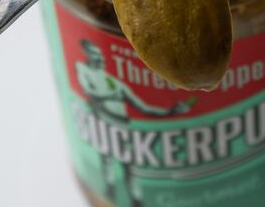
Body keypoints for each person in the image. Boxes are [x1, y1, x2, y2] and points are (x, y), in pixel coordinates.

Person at [76, 39, 193, 206]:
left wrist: (172, 111)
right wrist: (111, 96)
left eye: (101, 56)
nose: (100, 59)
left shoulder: (116, 84)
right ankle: (109, 190)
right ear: (88, 55)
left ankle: (136, 199)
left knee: (129, 167)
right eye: (95, 55)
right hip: (103, 122)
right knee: (106, 159)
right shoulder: (83, 70)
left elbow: (144, 108)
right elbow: (89, 90)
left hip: (122, 125)